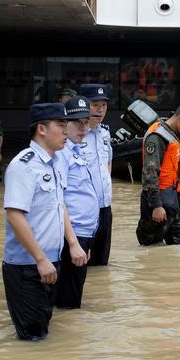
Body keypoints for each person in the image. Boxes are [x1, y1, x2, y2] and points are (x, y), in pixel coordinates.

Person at [2, 103, 87, 341]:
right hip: (28, 266)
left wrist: (72, 243)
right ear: (41, 129)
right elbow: (14, 215)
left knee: (42, 333)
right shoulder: (23, 166)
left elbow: (60, 205)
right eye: (60, 126)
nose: (66, 131)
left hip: (51, 262)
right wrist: (40, 259)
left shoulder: (56, 162)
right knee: (32, 340)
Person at [136, 100, 180, 246]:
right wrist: (156, 206)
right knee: (152, 247)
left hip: (176, 198)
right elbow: (150, 174)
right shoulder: (157, 137)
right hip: (159, 200)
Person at [55, 96, 99, 309]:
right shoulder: (61, 154)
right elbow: (58, 200)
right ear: (64, 125)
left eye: (86, 122)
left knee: (73, 296)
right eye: (77, 123)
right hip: (71, 234)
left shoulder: (76, 149)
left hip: (83, 234)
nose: (83, 128)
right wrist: (73, 243)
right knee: (68, 303)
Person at [80, 83, 113, 266]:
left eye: (104, 105)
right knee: (81, 261)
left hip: (105, 206)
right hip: (83, 209)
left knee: (101, 263)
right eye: (95, 105)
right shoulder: (74, 135)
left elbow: (108, 161)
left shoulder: (105, 133)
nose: (100, 110)